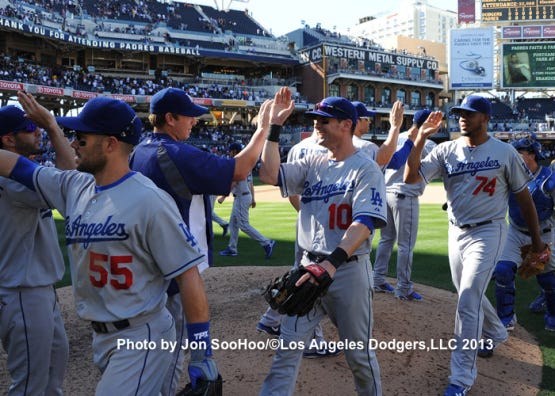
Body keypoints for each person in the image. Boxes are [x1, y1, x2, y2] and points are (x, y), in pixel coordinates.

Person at [0, 96, 221, 395]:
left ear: (110, 144)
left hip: (143, 335)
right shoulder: (74, 187)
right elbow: (17, 168)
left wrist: (201, 352)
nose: (74, 144)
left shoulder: (150, 201)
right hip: (103, 337)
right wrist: (51, 124)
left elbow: (188, 276)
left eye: (81, 137)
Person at [130, 87, 292, 395]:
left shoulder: (138, 151)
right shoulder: (175, 152)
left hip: (141, 270)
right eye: (188, 116)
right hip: (172, 272)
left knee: (145, 353)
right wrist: (262, 129)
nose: (194, 122)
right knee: (170, 358)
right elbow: (241, 168)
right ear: (170, 118)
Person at [404, 95, 545, 396]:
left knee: (468, 297)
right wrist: (420, 138)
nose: (462, 118)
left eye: (470, 113)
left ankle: (461, 378)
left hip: (489, 232)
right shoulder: (445, 150)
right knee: (468, 293)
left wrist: (536, 241)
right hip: (456, 233)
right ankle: (494, 330)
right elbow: (411, 178)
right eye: (459, 113)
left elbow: (524, 198)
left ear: (486, 118)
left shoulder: (504, 152)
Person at [259, 96, 387, 395]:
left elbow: (364, 223)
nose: (316, 124)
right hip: (307, 270)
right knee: (286, 351)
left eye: (324, 119)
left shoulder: (365, 169)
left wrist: (332, 263)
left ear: (346, 125)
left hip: (347, 273)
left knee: (359, 357)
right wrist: (274, 126)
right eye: (315, 118)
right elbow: (268, 174)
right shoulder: (313, 162)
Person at [0, 92, 74, 395]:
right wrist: (54, 127)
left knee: (52, 375)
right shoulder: (12, 180)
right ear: (8, 139)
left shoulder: (17, 171)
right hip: (22, 292)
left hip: (35, 289)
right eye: (31, 128)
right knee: (30, 385)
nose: (39, 130)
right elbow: (71, 182)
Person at [486, 135, 555, 341]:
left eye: (519, 153)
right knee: (503, 271)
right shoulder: (507, 176)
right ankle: (505, 318)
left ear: (532, 154)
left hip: (545, 232)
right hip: (514, 232)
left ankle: (551, 312)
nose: (513, 157)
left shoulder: (549, 179)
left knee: (548, 279)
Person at [373, 109, 437, 299]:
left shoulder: (397, 137)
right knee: (405, 246)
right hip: (405, 196)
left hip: (385, 194)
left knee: (386, 240)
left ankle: (378, 280)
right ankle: (403, 288)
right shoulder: (429, 143)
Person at [218, 142, 276, 258]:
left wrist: (223, 196)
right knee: (233, 223)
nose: (229, 152)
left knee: (243, 225)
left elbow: (234, 182)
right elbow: (251, 183)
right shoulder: (245, 162)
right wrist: (253, 198)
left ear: (234, 151)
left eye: (230, 150)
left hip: (241, 197)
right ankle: (232, 248)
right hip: (245, 196)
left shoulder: (237, 162)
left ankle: (266, 242)